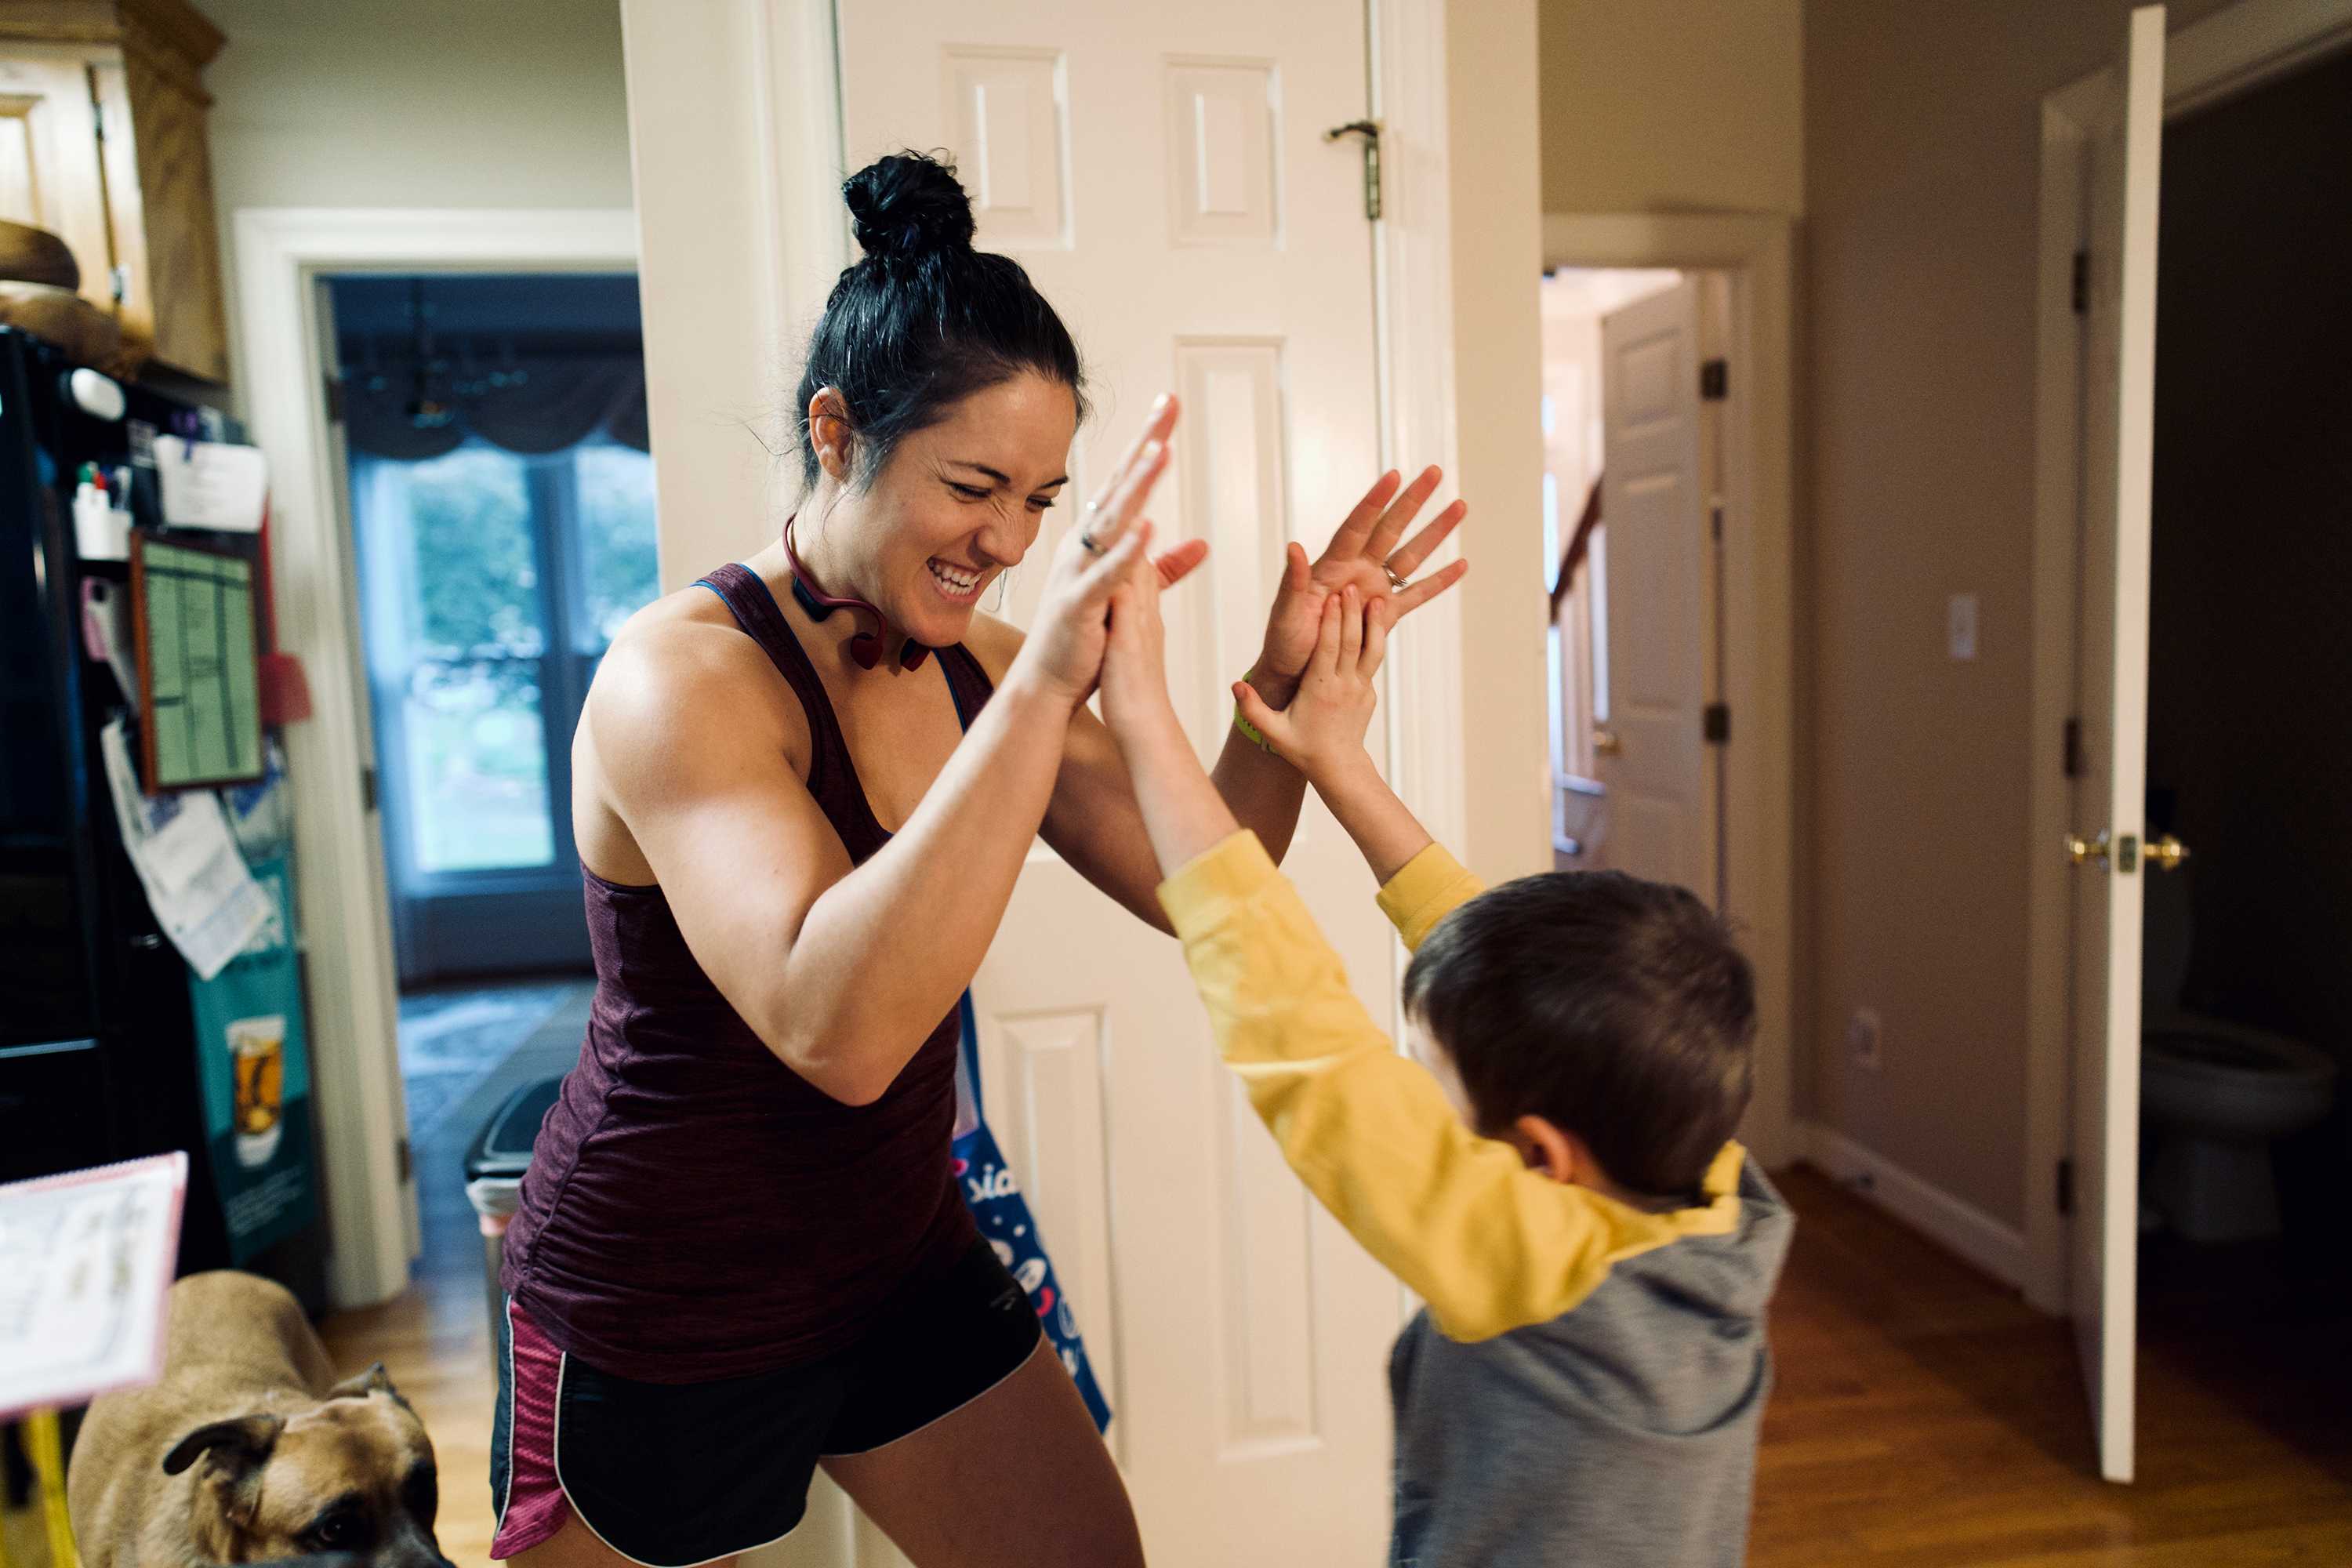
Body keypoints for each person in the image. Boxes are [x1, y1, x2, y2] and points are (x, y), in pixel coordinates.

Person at [487, 150, 1467, 1568]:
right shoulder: (679, 684)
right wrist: (1040, 686)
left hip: (891, 1253)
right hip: (666, 1286)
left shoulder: (980, 667)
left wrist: (1278, 705)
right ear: (837, 433)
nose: (1005, 543)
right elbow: (841, 1030)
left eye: (1041, 499)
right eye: (973, 487)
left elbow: (1209, 874)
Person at [1094, 568, 1795, 1567]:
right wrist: (1337, 762)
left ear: (1542, 1154)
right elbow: (1521, 982)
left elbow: (1308, 1042)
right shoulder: (1710, 1190)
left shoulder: (1542, 1264)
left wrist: (1143, 718)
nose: (1420, 1099)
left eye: (1437, 1084)